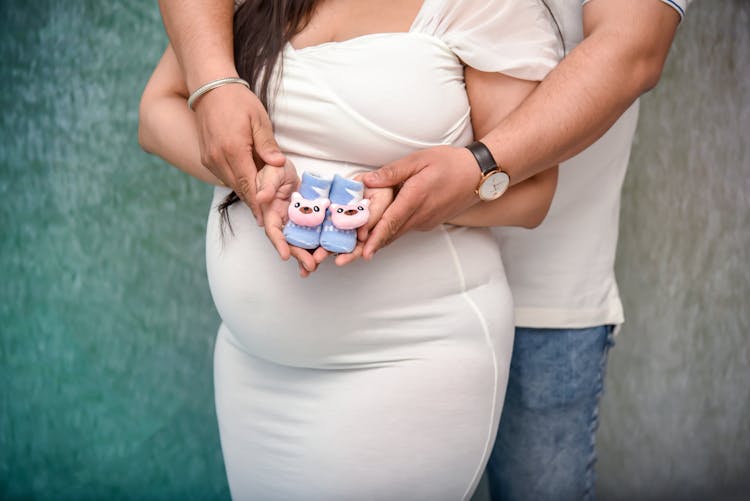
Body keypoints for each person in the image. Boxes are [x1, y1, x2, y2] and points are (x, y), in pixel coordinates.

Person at [154, 0, 691, 498]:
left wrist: (408, 199)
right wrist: (256, 181)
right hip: (256, 368)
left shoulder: (488, 12)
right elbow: (160, 108)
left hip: (455, 333)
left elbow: (629, 53)